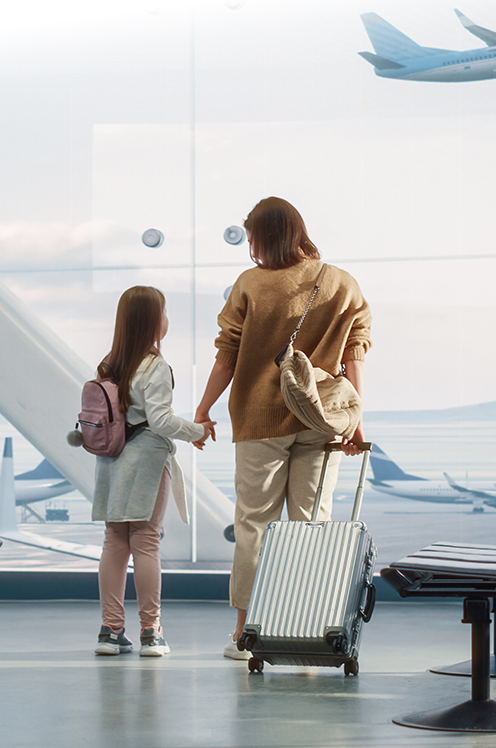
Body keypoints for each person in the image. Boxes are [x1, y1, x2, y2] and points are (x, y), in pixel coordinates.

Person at [194, 197, 371, 660]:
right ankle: (309, 626)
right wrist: (354, 418)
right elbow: (356, 351)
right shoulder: (340, 282)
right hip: (321, 419)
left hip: (258, 419)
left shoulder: (251, 284)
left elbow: (227, 354)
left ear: (261, 238)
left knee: (255, 524)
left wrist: (204, 407)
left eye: (250, 237)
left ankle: (245, 634)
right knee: (312, 525)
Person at [92, 286, 215, 657]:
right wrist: (197, 431)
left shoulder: (108, 364)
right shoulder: (154, 365)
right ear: (152, 321)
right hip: (145, 461)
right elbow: (160, 421)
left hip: (111, 460)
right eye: (164, 311)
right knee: (145, 541)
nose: (167, 318)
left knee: (115, 542)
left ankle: (111, 631)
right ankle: (151, 631)